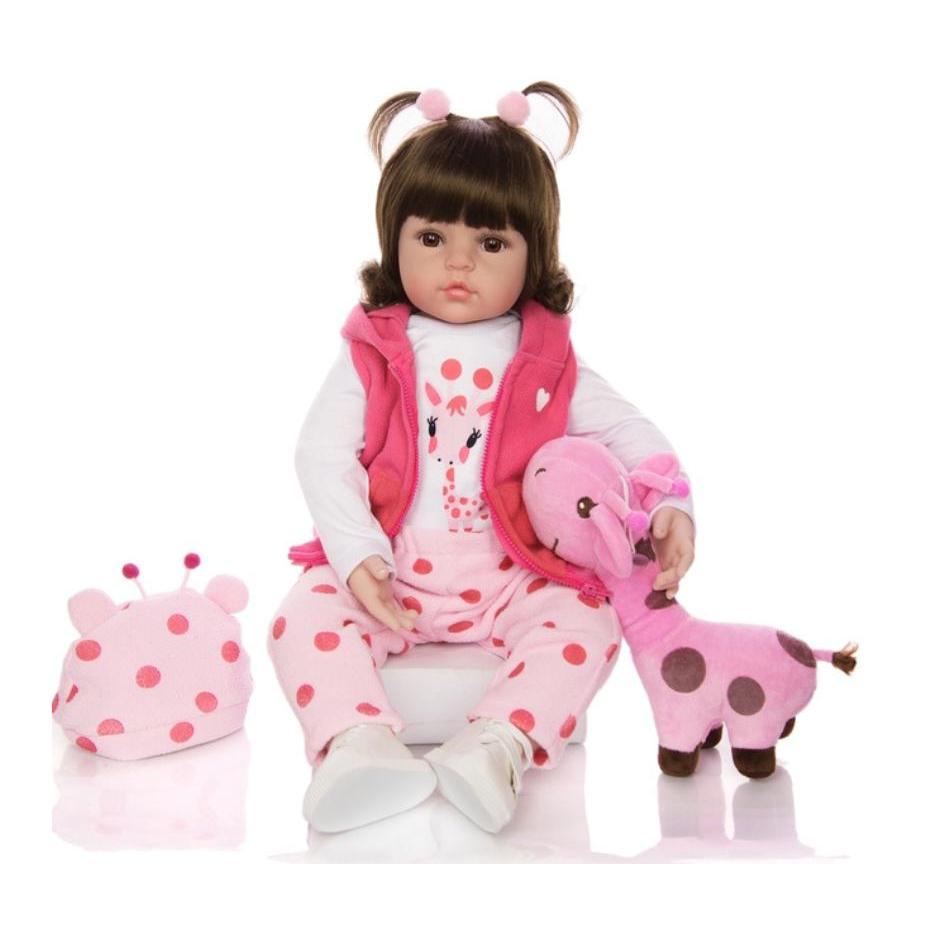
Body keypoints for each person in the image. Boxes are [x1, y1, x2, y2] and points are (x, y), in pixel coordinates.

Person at [267, 82, 696, 834]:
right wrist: (357, 555)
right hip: (390, 566)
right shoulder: (375, 348)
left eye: (491, 244)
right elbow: (321, 452)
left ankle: (497, 746)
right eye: (432, 238)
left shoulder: (545, 356)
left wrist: (669, 502)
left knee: (588, 623)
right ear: (394, 238)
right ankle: (356, 745)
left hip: (512, 573)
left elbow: (629, 430)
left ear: (533, 255)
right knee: (299, 616)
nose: (458, 263)